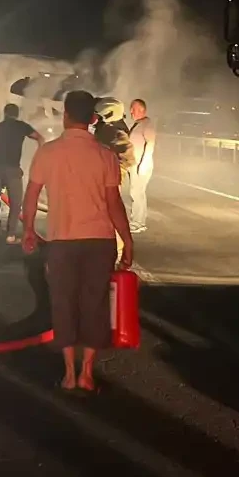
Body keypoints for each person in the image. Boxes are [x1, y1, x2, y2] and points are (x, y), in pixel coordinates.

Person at [22, 90, 133, 392]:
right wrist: (128, 240)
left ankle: (69, 374)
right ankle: (87, 373)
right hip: (100, 240)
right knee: (94, 304)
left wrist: (29, 229)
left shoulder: (47, 153)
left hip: (62, 240)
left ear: (66, 115)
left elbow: (31, 195)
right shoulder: (105, 155)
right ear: (93, 119)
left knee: (63, 302)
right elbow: (114, 204)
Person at [0, 103, 43, 243]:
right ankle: (10, 235)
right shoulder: (21, 126)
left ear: (5, 113)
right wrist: (41, 152)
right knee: (15, 202)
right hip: (13, 169)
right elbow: (39, 137)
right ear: (16, 114)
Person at [127, 98, 156, 234]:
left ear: (142, 110)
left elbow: (150, 144)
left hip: (141, 165)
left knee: (137, 193)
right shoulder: (139, 124)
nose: (131, 111)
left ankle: (137, 222)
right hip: (136, 164)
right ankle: (140, 222)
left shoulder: (147, 124)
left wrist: (143, 164)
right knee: (138, 193)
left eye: (134, 108)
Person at [92, 97, 135, 183]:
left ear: (108, 115)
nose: (95, 118)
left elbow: (126, 160)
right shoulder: (105, 129)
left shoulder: (116, 133)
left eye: (98, 116)